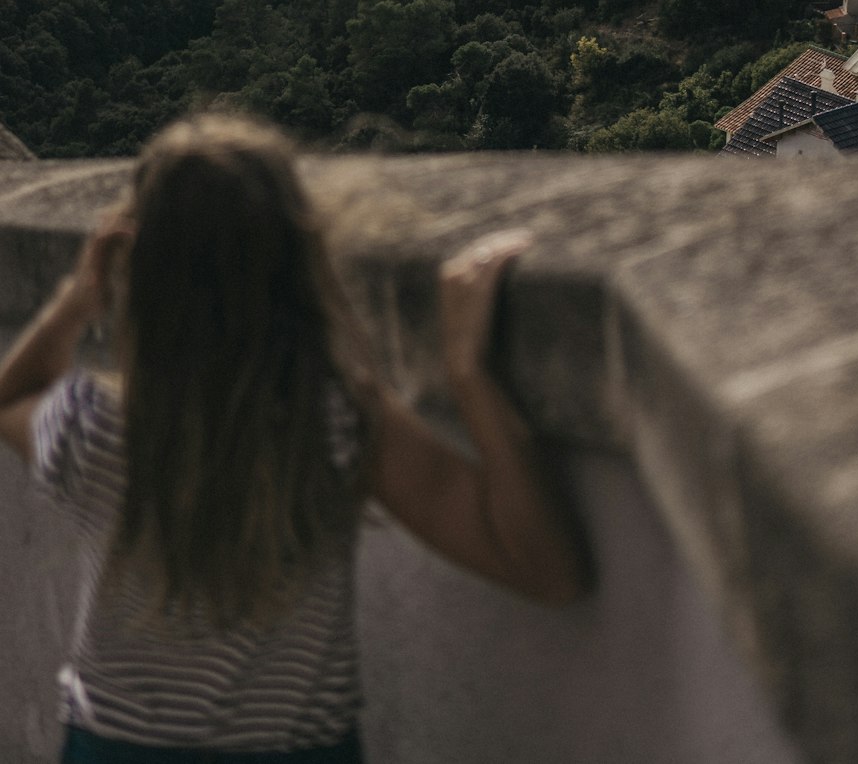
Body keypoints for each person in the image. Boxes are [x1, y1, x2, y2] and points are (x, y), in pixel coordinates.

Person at [0, 114, 585, 763]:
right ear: (299, 257)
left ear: (138, 266)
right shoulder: (334, 422)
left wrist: (77, 299)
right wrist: (470, 376)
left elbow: (10, 398)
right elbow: (548, 573)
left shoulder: (93, 427)